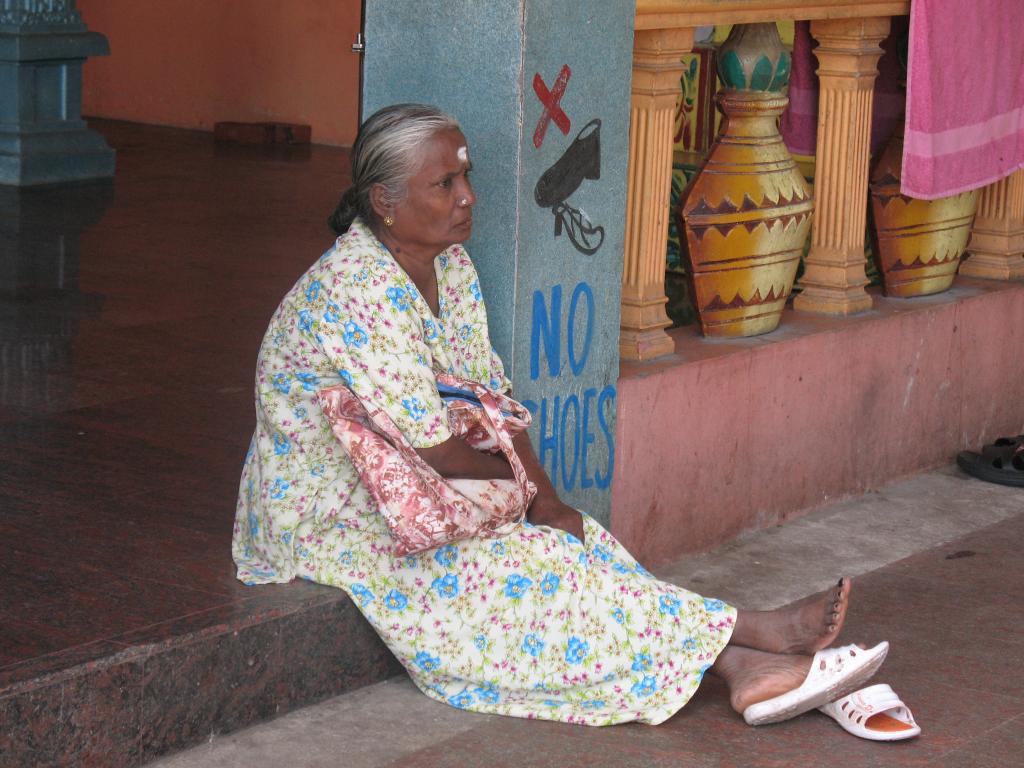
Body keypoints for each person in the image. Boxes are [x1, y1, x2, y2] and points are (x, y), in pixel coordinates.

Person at [232, 103, 881, 726]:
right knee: (528, 565)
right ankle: (750, 630)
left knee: (571, 538)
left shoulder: (449, 267)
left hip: (421, 484)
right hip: (331, 511)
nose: (468, 197)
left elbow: (492, 399)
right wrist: (522, 494)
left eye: (465, 176)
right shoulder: (357, 288)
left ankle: (741, 664)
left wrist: (547, 501)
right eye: (445, 183)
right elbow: (430, 446)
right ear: (384, 200)